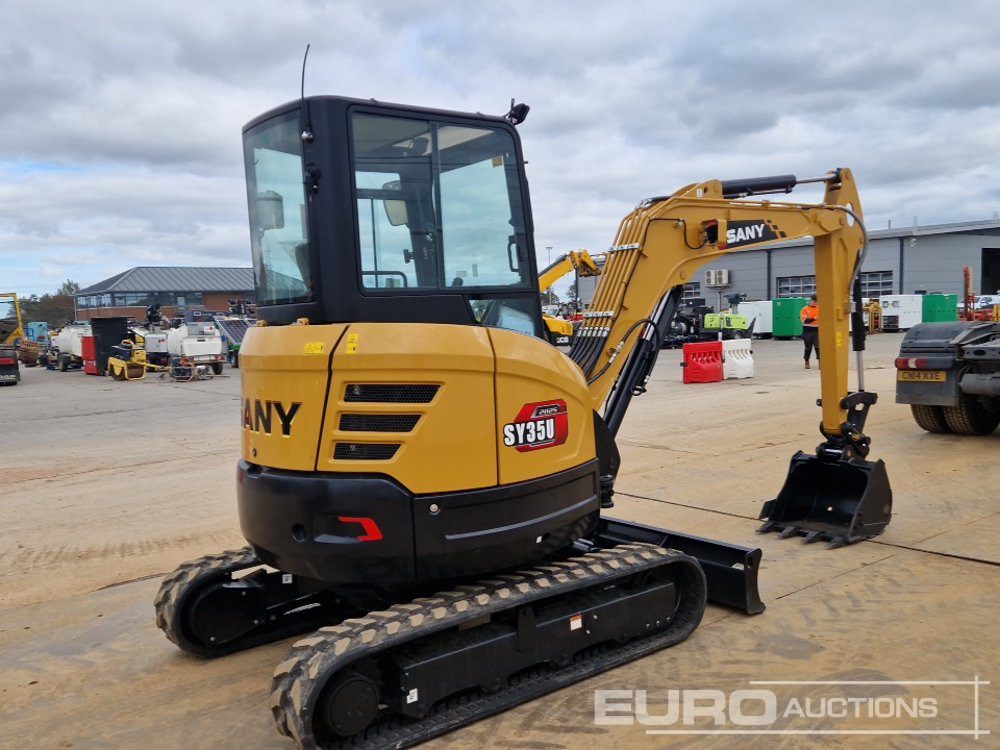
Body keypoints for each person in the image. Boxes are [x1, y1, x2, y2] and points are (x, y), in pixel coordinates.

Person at [800, 293, 819, 368]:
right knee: (808, 347)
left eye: (817, 302)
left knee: (818, 347)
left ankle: (820, 361)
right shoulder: (805, 309)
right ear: (811, 300)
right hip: (807, 331)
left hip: (817, 330)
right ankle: (806, 361)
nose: (816, 303)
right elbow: (805, 321)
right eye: (815, 301)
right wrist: (815, 318)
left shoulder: (819, 308)